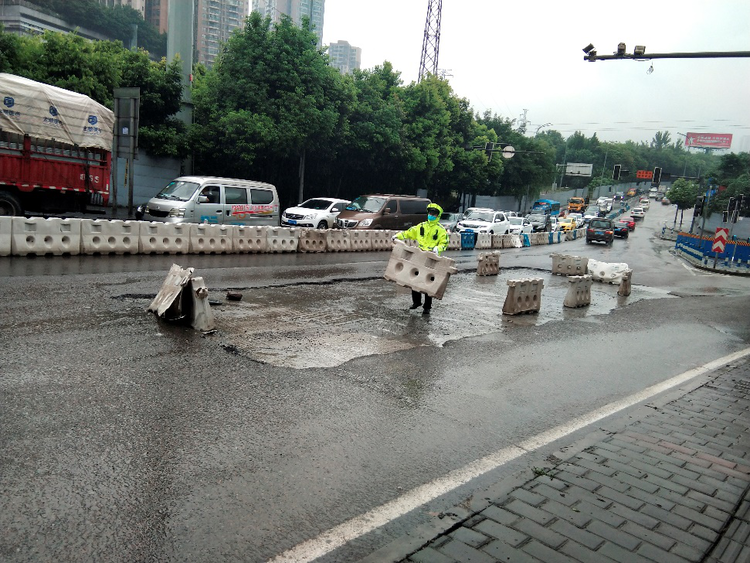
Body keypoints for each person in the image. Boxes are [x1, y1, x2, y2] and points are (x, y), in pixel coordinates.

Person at [393, 203, 449, 315]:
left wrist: (438, 248)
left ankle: (427, 307)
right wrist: (397, 236)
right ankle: (416, 302)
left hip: (432, 258)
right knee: (414, 278)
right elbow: (409, 233)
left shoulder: (440, 230)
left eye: (433, 213)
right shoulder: (421, 226)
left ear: (438, 215)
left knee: (428, 282)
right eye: (430, 213)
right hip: (419, 256)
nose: (431, 215)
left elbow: (445, 242)